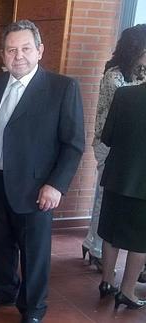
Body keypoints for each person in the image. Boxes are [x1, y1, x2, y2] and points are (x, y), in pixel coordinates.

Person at [0, 20, 85, 323]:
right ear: (3, 55)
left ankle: (33, 308)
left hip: (36, 188)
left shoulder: (62, 88)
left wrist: (56, 185)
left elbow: (73, 144)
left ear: (39, 51)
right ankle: (4, 290)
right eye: (11, 50)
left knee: (34, 252)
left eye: (25, 48)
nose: (17, 55)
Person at [81, 24, 146, 274]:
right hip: (108, 144)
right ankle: (95, 247)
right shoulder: (115, 76)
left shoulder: (135, 75)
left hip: (130, 148)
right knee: (103, 201)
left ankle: (96, 245)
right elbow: (122, 112)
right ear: (136, 47)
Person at [97, 83, 146, 310]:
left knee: (110, 231)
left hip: (117, 174)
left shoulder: (124, 93)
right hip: (143, 183)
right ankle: (127, 291)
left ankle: (106, 282)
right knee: (141, 240)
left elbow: (107, 136)